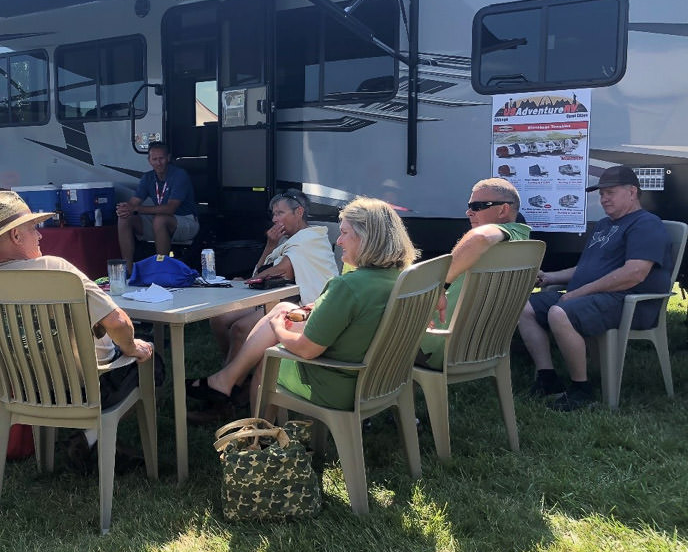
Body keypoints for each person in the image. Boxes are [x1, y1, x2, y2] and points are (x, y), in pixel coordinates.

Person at [0, 190, 153, 471]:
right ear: (15, 236)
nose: (39, 235)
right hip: (85, 385)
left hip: (24, 388)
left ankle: (87, 439)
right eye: (33, 228)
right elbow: (118, 323)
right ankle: (92, 436)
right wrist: (132, 347)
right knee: (152, 363)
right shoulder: (55, 269)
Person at [188, 197, 418, 417]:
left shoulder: (347, 286)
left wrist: (279, 331)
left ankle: (259, 439)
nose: (338, 241)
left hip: (340, 384)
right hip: (380, 379)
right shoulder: (401, 279)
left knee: (269, 359)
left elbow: (307, 350)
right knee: (283, 308)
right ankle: (225, 382)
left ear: (367, 238)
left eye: (345, 233)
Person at [518, 165, 673, 411]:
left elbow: (634, 273)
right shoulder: (604, 225)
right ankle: (547, 378)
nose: (603, 198)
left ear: (632, 192)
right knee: (523, 307)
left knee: (560, 313)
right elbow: (586, 268)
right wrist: (549, 277)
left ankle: (582, 389)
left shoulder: (646, 224)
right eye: (601, 194)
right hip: (594, 298)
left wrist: (577, 293)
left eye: (610, 192)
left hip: (627, 301)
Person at [210, 189, 338, 366]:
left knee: (240, 329)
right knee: (218, 319)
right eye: (273, 214)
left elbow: (276, 273)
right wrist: (270, 245)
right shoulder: (290, 240)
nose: (274, 220)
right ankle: (233, 368)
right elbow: (259, 274)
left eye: (280, 213)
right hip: (274, 297)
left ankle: (231, 382)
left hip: (299, 305)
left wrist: (246, 282)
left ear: (299, 212)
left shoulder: (309, 239)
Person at [417, 178, 530, 370]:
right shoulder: (517, 247)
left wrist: (441, 287)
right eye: (469, 206)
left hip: (434, 345)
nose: (469, 212)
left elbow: (480, 237)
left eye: (478, 206)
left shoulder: (507, 234)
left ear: (503, 210)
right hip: (473, 347)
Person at [116, 141, 198, 274]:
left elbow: (170, 208)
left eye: (161, 158)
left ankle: (162, 270)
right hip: (158, 222)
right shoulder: (148, 177)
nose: (158, 163)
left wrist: (136, 209)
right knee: (124, 218)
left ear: (168, 158)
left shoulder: (179, 175)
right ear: (149, 161)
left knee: (160, 219)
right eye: (155, 159)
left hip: (186, 221)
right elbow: (134, 203)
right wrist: (125, 208)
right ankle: (128, 271)